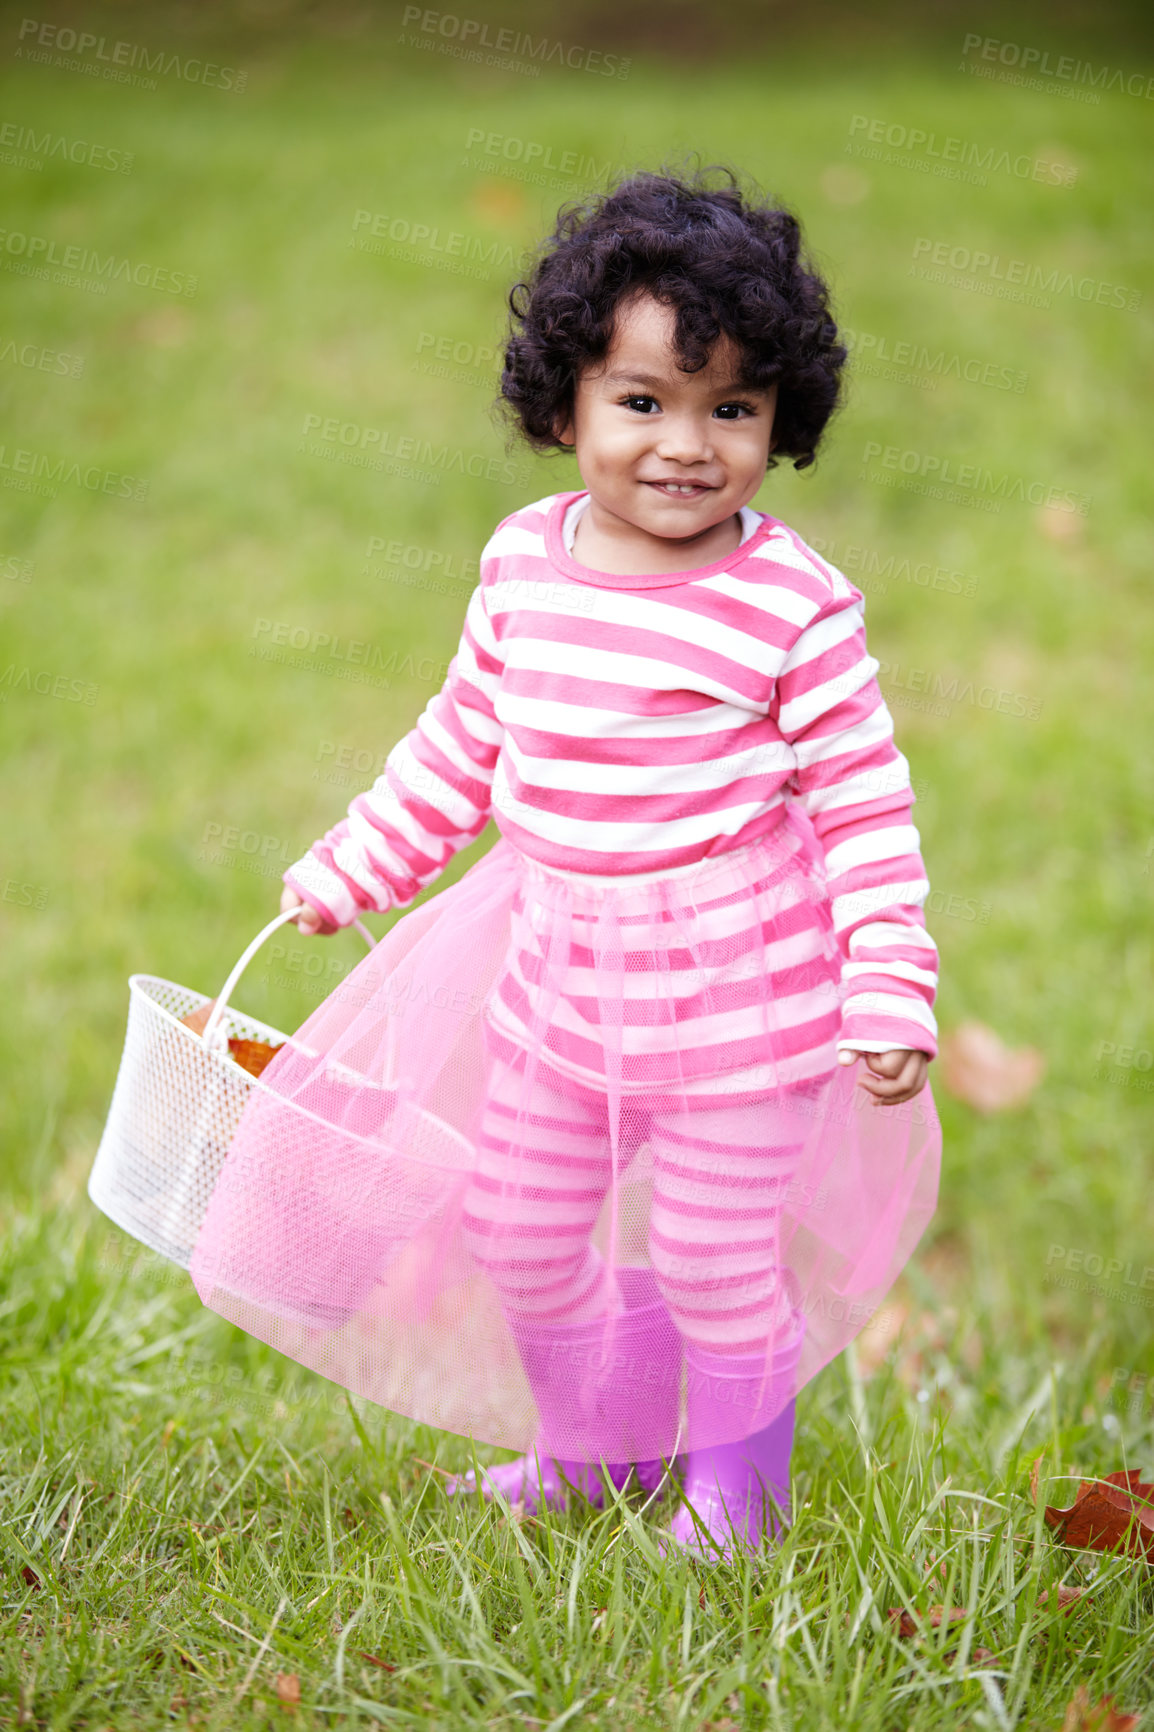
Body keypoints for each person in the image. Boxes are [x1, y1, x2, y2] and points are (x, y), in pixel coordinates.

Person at [189, 167, 941, 1562]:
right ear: (566, 404)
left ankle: (736, 1492)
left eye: (732, 409)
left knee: (718, 1257)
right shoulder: (522, 567)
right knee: (521, 1233)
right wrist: (352, 865)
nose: (685, 445)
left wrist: (887, 983)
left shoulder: (789, 604)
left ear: (782, 419)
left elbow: (863, 806)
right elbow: (461, 742)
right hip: (556, 988)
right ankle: (590, 1450)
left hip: (739, 1001)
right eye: (642, 400)